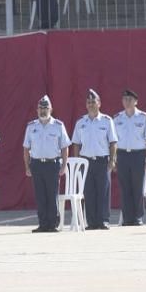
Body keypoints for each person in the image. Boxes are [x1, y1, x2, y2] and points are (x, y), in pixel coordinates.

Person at [23, 95, 70, 233]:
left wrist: (63, 165)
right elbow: (26, 148)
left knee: (52, 194)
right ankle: (43, 223)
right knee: (40, 195)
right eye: (41, 108)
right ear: (37, 110)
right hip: (37, 164)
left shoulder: (58, 126)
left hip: (52, 164)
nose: (43, 111)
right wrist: (27, 166)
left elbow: (65, 147)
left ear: (51, 109)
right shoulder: (31, 127)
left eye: (45, 108)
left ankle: (53, 224)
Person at [71, 89, 117, 230]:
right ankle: (91, 222)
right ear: (86, 104)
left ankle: (103, 220)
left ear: (99, 103)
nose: (91, 104)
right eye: (89, 102)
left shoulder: (107, 121)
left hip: (102, 160)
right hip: (86, 161)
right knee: (89, 192)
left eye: (93, 102)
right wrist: (78, 162)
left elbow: (113, 142)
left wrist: (112, 160)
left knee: (103, 191)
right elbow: (76, 144)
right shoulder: (81, 122)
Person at [114, 89, 146, 226]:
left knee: (137, 187)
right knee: (125, 187)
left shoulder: (143, 117)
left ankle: (138, 217)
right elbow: (112, 142)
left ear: (136, 101)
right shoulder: (117, 118)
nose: (127, 102)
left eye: (130, 100)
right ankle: (127, 218)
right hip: (122, 155)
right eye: (125, 99)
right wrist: (113, 159)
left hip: (138, 155)